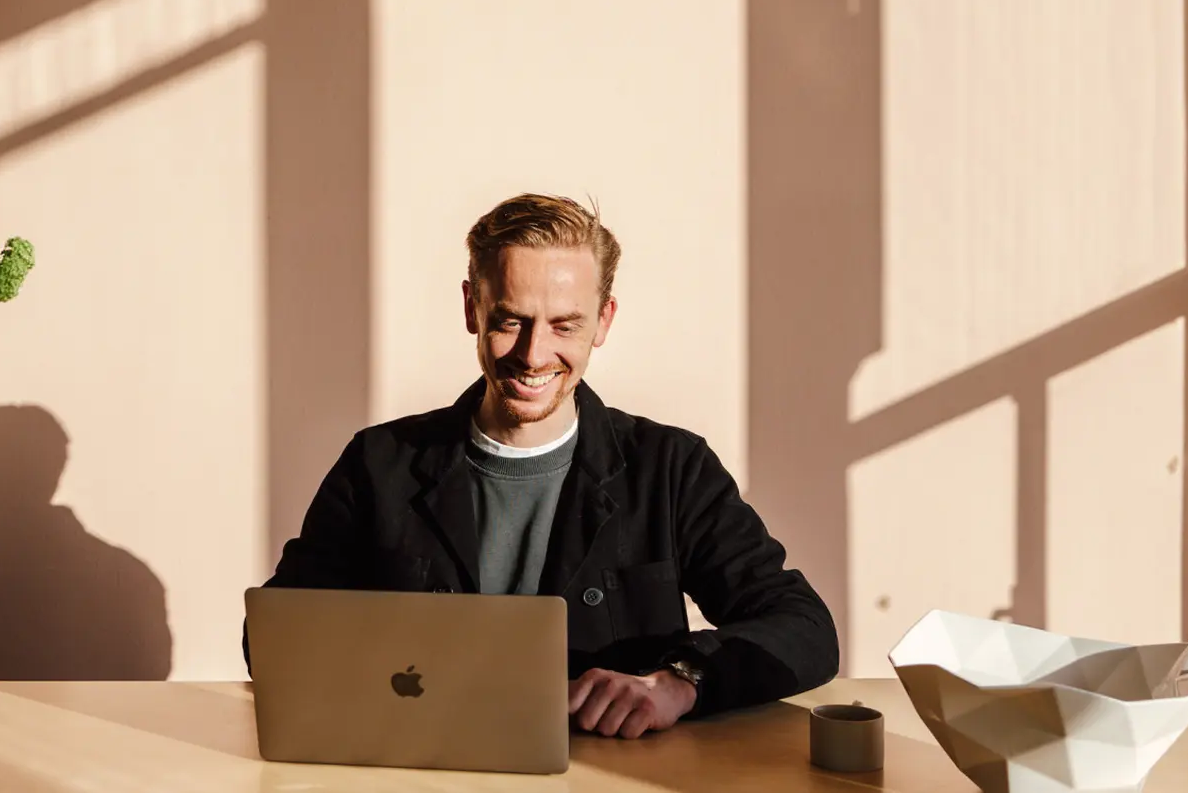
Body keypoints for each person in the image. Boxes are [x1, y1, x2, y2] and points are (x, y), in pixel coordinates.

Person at [250, 193, 838, 739]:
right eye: (510, 320)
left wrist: (678, 682)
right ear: (470, 307)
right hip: (421, 768)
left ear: (603, 321)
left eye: (565, 325)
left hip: (611, 775)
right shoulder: (379, 464)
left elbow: (805, 627)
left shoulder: (671, 468)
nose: (533, 355)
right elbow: (275, 637)